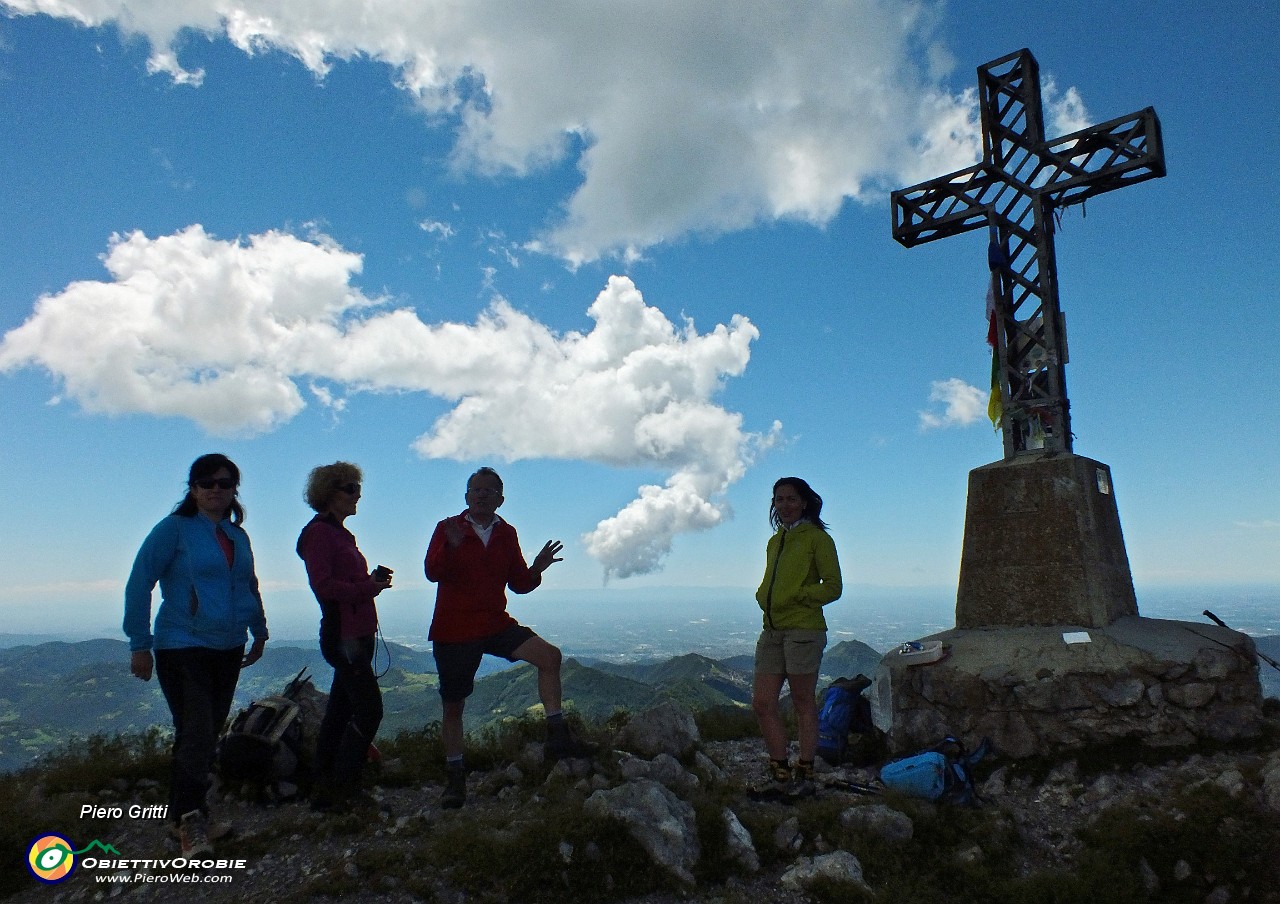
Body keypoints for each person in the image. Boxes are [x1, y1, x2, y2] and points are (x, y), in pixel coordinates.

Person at [124, 453, 269, 857]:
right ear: (193, 488)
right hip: (182, 644)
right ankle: (190, 823)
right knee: (198, 733)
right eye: (206, 483)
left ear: (233, 489)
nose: (215, 490)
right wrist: (140, 642)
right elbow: (140, 582)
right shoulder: (174, 530)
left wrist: (259, 631)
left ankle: (187, 815)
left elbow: (248, 586)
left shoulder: (238, 536)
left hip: (228, 646)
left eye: (224, 483)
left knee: (202, 734)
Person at [425, 466, 595, 808]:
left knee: (550, 657)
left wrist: (537, 568)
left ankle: (556, 736)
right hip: (454, 630)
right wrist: (453, 548)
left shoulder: (507, 533)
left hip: (494, 624)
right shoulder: (448, 528)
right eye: (476, 490)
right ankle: (455, 779)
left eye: (489, 491)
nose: (481, 495)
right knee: (454, 705)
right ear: (466, 496)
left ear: (500, 499)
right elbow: (432, 572)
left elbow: (518, 584)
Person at [297, 462, 393, 812]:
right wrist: (369, 587)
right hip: (344, 637)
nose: (358, 495)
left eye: (358, 488)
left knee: (339, 712)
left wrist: (371, 580)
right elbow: (324, 587)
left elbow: (344, 583)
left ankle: (323, 786)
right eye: (351, 488)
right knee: (369, 711)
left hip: (357, 635)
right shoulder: (320, 534)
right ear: (330, 493)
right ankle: (344, 786)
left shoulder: (338, 533)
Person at [752, 476, 842, 795]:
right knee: (763, 702)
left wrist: (800, 594)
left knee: (803, 701)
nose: (785, 505)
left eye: (791, 499)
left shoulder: (817, 539)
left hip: (804, 629)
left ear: (804, 502)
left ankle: (805, 768)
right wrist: (765, 595)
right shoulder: (775, 541)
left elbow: (833, 587)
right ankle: (779, 768)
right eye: (779, 499)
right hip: (772, 629)